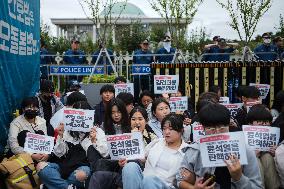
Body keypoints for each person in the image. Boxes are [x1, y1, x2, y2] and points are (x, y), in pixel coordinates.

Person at [176, 103, 263, 189]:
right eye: (211, 129)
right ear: (203, 128)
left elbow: (257, 186)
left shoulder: (245, 150)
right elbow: (179, 180)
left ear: (229, 125)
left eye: (222, 128)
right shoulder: (194, 150)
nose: (217, 133)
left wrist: (239, 177)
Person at [37, 101, 108, 189]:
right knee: (41, 166)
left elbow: (105, 153)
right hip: (65, 165)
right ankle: (67, 187)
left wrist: (94, 140)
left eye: (83, 115)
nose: (80, 118)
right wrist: (61, 136)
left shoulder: (98, 131)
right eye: (77, 115)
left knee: (81, 175)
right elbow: (59, 153)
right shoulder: (67, 130)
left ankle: (52, 185)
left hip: (84, 167)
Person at [88, 106, 157, 189]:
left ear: (146, 121)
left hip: (140, 172)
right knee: (97, 177)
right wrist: (119, 162)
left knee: (131, 163)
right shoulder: (123, 136)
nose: (137, 122)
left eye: (140, 119)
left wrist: (135, 138)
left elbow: (154, 160)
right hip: (120, 171)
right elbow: (110, 154)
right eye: (133, 119)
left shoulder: (153, 138)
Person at [122, 113, 189, 189]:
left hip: (165, 185)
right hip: (144, 181)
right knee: (130, 167)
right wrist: (126, 159)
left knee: (150, 180)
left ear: (181, 130)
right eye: (164, 128)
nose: (167, 132)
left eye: (171, 129)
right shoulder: (157, 142)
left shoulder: (187, 151)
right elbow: (141, 156)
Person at [246, 104, 280, 189]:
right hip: (251, 173)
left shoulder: (273, 135)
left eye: (266, 122)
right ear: (250, 123)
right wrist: (251, 155)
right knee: (255, 161)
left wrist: (276, 152)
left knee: (267, 157)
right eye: (260, 122)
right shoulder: (244, 135)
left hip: (268, 159)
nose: (264, 125)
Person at [8, 97, 49, 162]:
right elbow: (14, 146)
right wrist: (31, 155)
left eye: (34, 107)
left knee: (40, 133)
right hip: (22, 156)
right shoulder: (16, 123)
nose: (32, 109)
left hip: (39, 155)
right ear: (23, 109)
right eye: (29, 107)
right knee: (24, 133)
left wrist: (46, 154)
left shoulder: (42, 121)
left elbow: (46, 141)